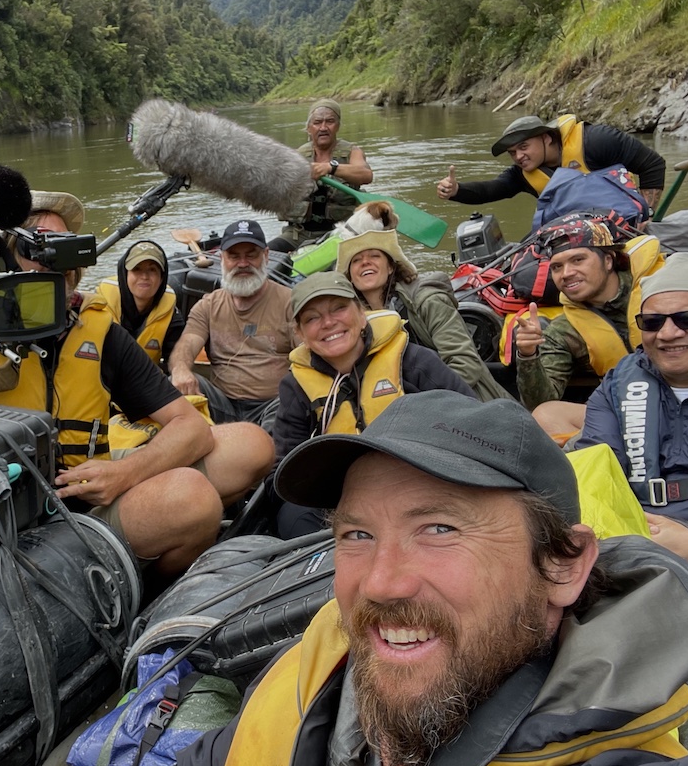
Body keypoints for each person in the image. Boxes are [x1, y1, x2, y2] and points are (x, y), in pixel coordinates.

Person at [132, 390, 688, 766]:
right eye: (357, 534)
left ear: (562, 564)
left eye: (438, 527)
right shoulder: (317, 673)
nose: (381, 583)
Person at [0, 191, 273, 579]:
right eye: (33, 243)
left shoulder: (98, 331)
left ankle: (140, 583)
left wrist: (126, 474)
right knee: (192, 497)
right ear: (3, 257)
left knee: (251, 445)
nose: (49, 256)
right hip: (10, 508)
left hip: (87, 493)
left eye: (59, 245)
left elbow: (190, 427)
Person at [269, 273, 475, 538]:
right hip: (342, 499)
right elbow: (285, 470)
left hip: (420, 486)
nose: (329, 323)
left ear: (362, 313)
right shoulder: (295, 387)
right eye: (312, 318)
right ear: (299, 333)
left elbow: (472, 422)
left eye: (339, 308)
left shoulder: (413, 363)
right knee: (292, 514)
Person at [574, 249, 688, 568]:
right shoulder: (616, 386)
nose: (668, 333)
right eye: (652, 322)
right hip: (631, 547)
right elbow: (594, 476)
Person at [336, 228, 511, 401]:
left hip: (467, 401)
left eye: (374, 256)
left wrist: (418, 408)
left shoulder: (428, 300)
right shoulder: (354, 322)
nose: (365, 262)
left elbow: (466, 364)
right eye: (356, 260)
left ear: (391, 267)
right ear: (350, 277)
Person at [166, 220, 297, 428]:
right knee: (171, 385)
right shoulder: (208, 305)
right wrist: (181, 369)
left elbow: (308, 358)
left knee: (292, 400)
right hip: (222, 404)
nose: (242, 263)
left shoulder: (291, 302)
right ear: (222, 258)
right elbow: (187, 344)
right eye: (234, 256)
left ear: (266, 255)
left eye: (251, 255)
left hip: (273, 405)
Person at [513, 217, 637, 411]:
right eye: (556, 267)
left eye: (578, 260)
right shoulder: (562, 331)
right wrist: (528, 354)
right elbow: (541, 404)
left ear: (608, 260)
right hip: (625, 408)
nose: (566, 273)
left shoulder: (654, 292)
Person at [437, 113, 666, 208]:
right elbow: (492, 189)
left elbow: (653, 165)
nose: (518, 157)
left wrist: (648, 214)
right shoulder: (523, 174)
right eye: (512, 152)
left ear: (546, 138)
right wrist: (457, 190)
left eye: (524, 147)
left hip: (622, 221)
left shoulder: (596, 141)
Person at [271, 99, 374, 252]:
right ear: (309, 128)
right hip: (297, 234)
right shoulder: (297, 156)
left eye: (330, 122)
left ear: (338, 126)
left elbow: (366, 175)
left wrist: (330, 168)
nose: (323, 127)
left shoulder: (353, 152)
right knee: (267, 256)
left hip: (340, 233)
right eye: (317, 122)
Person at [94, 239, 185, 371]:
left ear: (162, 277)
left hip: (145, 383)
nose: (144, 276)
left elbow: (175, 355)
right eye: (136, 269)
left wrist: (180, 370)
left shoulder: (172, 316)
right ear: (125, 274)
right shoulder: (100, 306)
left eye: (152, 270)